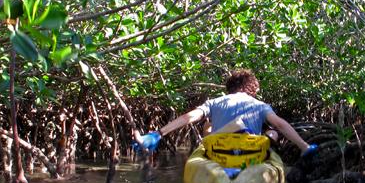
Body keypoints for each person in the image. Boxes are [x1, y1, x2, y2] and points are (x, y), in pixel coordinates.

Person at [135, 69, 317, 158]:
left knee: (208, 127)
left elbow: (188, 117)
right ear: (251, 89)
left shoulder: (215, 102)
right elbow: (280, 124)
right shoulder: (260, 105)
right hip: (249, 155)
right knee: (273, 133)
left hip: (218, 155)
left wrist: (158, 134)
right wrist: (304, 147)